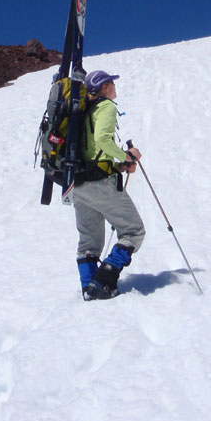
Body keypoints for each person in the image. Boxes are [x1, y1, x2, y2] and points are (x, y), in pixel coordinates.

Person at [74, 70, 145, 300]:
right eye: (111, 83)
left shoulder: (83, 111)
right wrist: (126, 156)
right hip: (100, 185)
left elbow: (91, 152)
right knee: (133, 231)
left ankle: (89, 287)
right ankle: (104, 280)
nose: (114, 86)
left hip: (77, 184)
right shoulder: (105, 107)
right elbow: (102, 141)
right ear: (103, 86)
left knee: (89, 242)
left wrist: (119, 167)